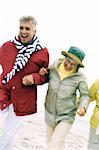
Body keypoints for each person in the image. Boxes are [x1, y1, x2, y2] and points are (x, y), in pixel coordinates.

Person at [0, 16, 49, 150]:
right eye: (21, 27)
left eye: (27, 28)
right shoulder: (7, 46)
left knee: (8, 133)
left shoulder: (42, 52)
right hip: (3, 90)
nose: (23, 31)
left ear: (34, 30)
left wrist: (34, 78)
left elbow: (45, 76)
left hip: (23, 98)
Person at [39, 46, 89, 150]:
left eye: (73, 64)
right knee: (54, 143)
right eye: (68, 61)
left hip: (66, 115)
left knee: (54, 141)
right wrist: (42, 73)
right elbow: (46, 77)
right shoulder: (55, 66)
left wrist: (83, 107)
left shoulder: (80, 78)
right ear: (65, 57)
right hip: (49, 112)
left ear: (78, 66)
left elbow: (84, 95)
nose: (69, 65)